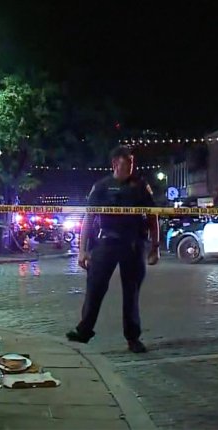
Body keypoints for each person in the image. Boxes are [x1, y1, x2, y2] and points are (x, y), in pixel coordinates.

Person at [66, 146, 160, 353]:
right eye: (127, 162)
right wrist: (82, 250)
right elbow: (88, 218)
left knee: (132, 292)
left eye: (132, 162)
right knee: (95, 288)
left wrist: (155, 247)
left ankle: (133, 338)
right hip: (106, 243)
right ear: (115, 163)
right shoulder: (101, 186)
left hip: (133, 244)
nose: (131, 166)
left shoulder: (141, 186)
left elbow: (153, 216)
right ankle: (84, 331)